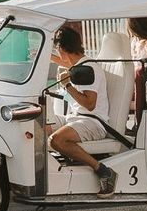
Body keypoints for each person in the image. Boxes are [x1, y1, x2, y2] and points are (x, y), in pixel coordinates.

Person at [46, 26, 118, 197]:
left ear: (62, 49)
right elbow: (65, 62)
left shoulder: (88, 69)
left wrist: (67, 86)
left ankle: (103, 170)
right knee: (39, 125)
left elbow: (90, 104)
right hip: (75, 118)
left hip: (93, 121)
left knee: (56, 140)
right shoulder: (80, 64)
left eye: (57, 50)